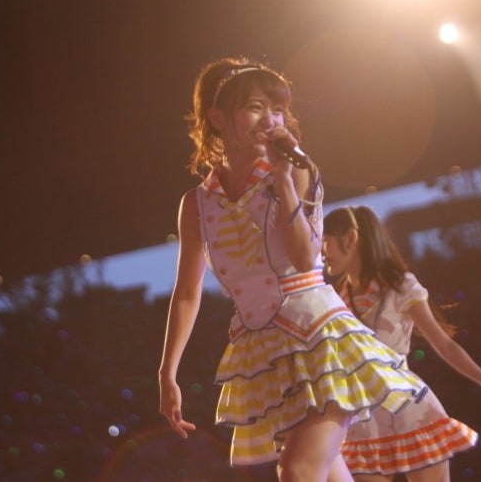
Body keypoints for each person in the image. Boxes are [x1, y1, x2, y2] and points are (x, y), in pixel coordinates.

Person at [157, 57, 429, 482]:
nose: (270, 119)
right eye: (255, 107)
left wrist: (284, 181)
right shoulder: (197, 202)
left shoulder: (297, 171)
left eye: (278, 109)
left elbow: (305, 259)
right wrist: (167, 373)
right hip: (263, 354)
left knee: (298, 471)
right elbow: (188, 293)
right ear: (217, 117)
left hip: (319, 340)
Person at [322, 205, 481, 482]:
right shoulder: (335, 298)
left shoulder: (400, 286)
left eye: (325, 240)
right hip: (363, 418)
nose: (322, 251)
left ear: (350, 238)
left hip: (409, 408)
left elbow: (444, 344)